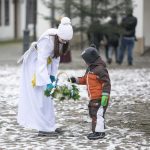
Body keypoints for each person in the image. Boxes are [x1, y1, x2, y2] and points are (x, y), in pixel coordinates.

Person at [17, 17, 73, 136]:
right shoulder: (48, 40)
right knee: (41, 98)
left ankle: (50, 125)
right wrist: (46, 82)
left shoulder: (63, 41)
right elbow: (40, 63)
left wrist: (52, 77)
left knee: (49, 98)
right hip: (34, 65)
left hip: (45, 66)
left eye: (66, 41)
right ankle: (43, 128)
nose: (64, 42)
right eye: (63, 40)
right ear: (59, 35)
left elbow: (56, 60)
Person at [69, 46, 111, 140]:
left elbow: (106, 82)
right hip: (93, 97)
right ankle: (97, 131)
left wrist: (105, 95)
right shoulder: (90, 69)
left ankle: (99, 133)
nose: (85, 62)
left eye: (86, 60)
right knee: (93, 113)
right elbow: (85, 79)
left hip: (101, 97)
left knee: (98, 114)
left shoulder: (100, 69)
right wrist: (75, 80)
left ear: (91, 59)